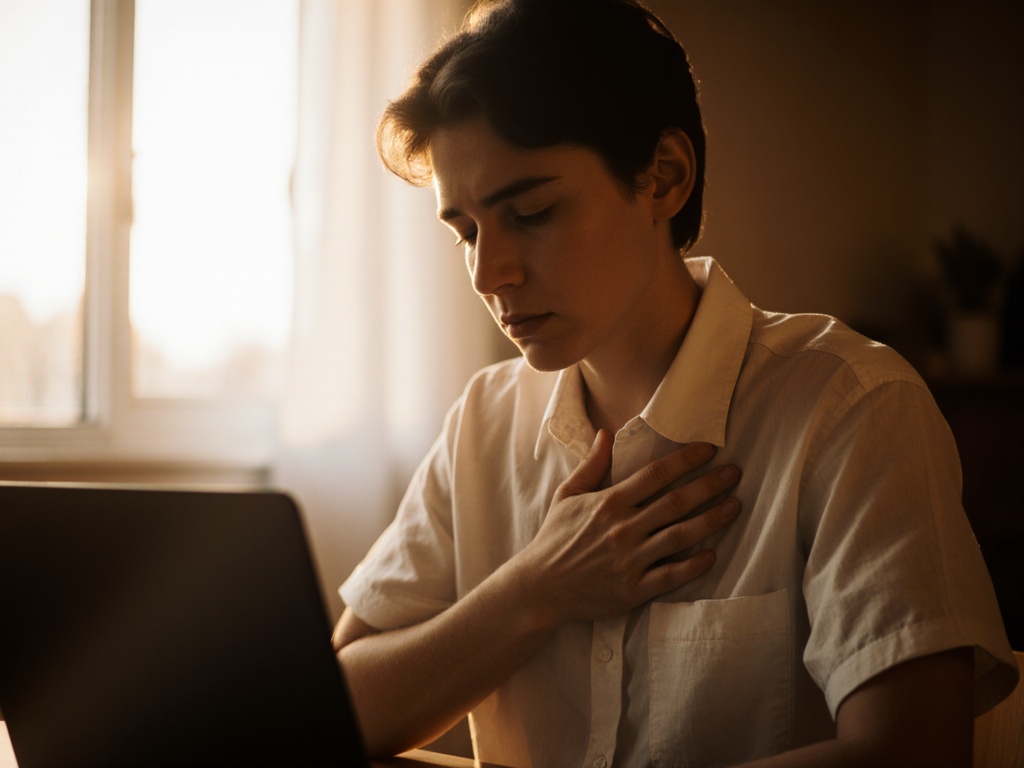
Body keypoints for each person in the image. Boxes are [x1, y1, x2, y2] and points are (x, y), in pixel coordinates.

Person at [332, 1, 1019, 765]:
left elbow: (913, 751)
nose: (489, 274)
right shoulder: (483, 424)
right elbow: (337, 707)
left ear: (664, 177)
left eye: (529, 213)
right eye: (464, 231)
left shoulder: (851, 405)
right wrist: (534, 590)